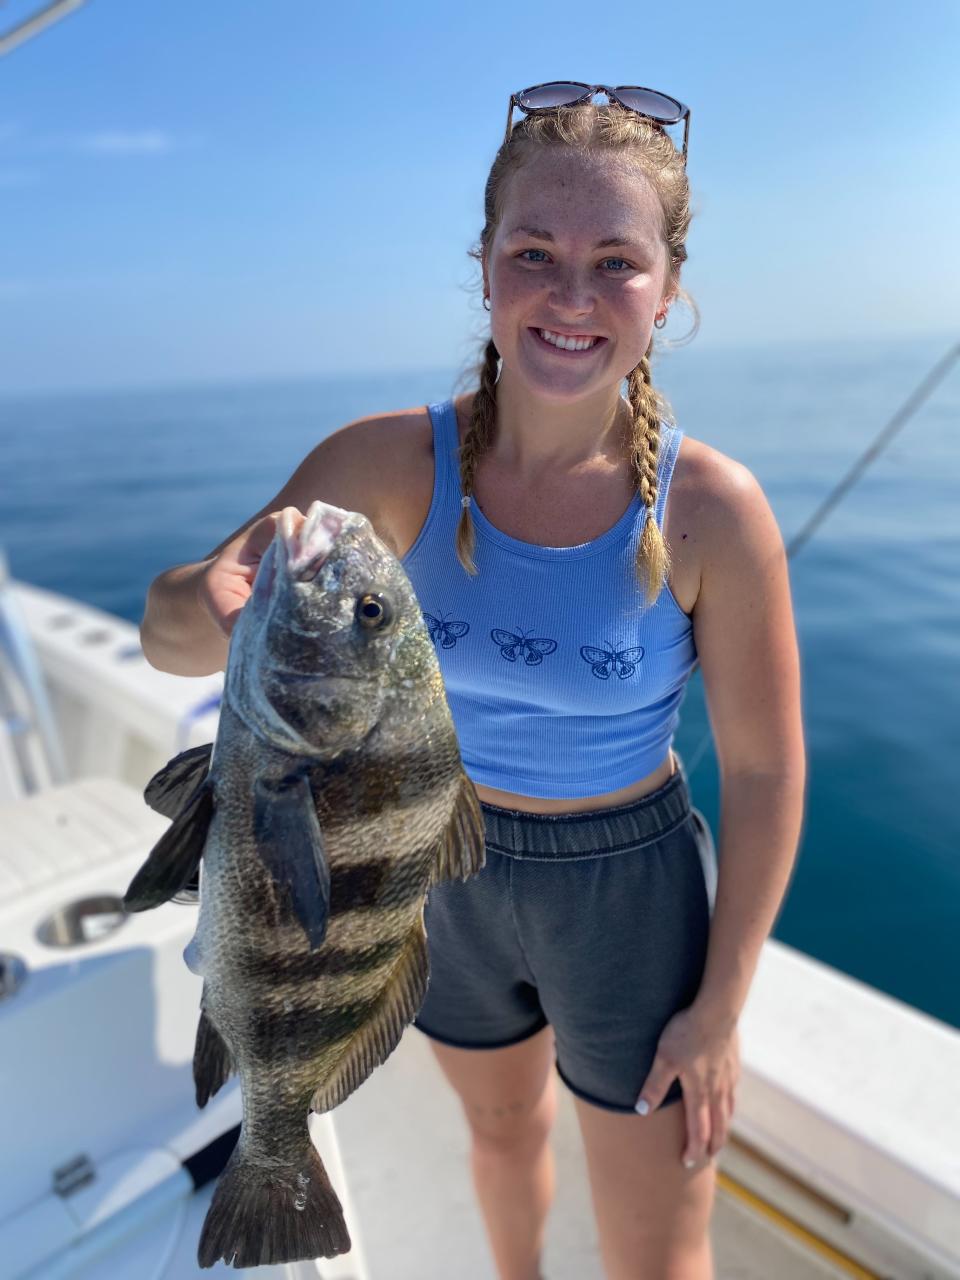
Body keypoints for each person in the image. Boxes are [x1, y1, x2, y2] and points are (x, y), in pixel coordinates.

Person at [141, 82, 806, 1280]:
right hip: (425, 876)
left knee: (660, 1243)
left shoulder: (712, 511)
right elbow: (169, 636)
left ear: (671, 288)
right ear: (484, 265)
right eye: (534, 252)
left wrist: (720, 1007)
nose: (570, 294)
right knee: (500, 1136)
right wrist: (212, 597)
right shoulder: (383, 466)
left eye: (617, 262)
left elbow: (762, 771)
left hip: (627, 892)